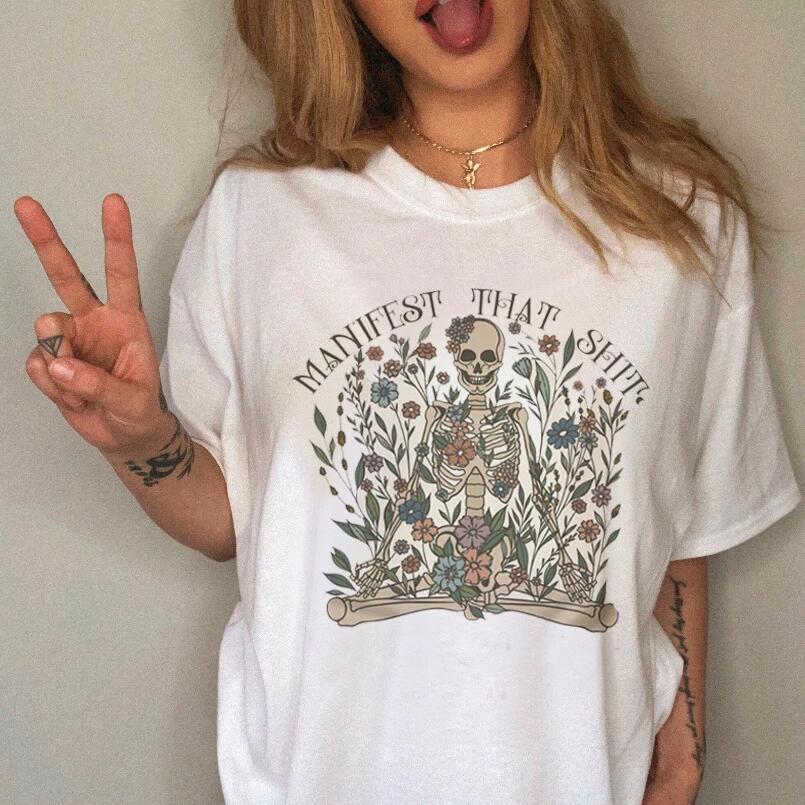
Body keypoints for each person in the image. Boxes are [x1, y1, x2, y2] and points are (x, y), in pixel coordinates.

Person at [15, 1, 801, 803]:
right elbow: (233, 522)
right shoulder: (260, 215)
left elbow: (686, 519)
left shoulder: (680, 220)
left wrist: (682, 752)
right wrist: (139, 442)